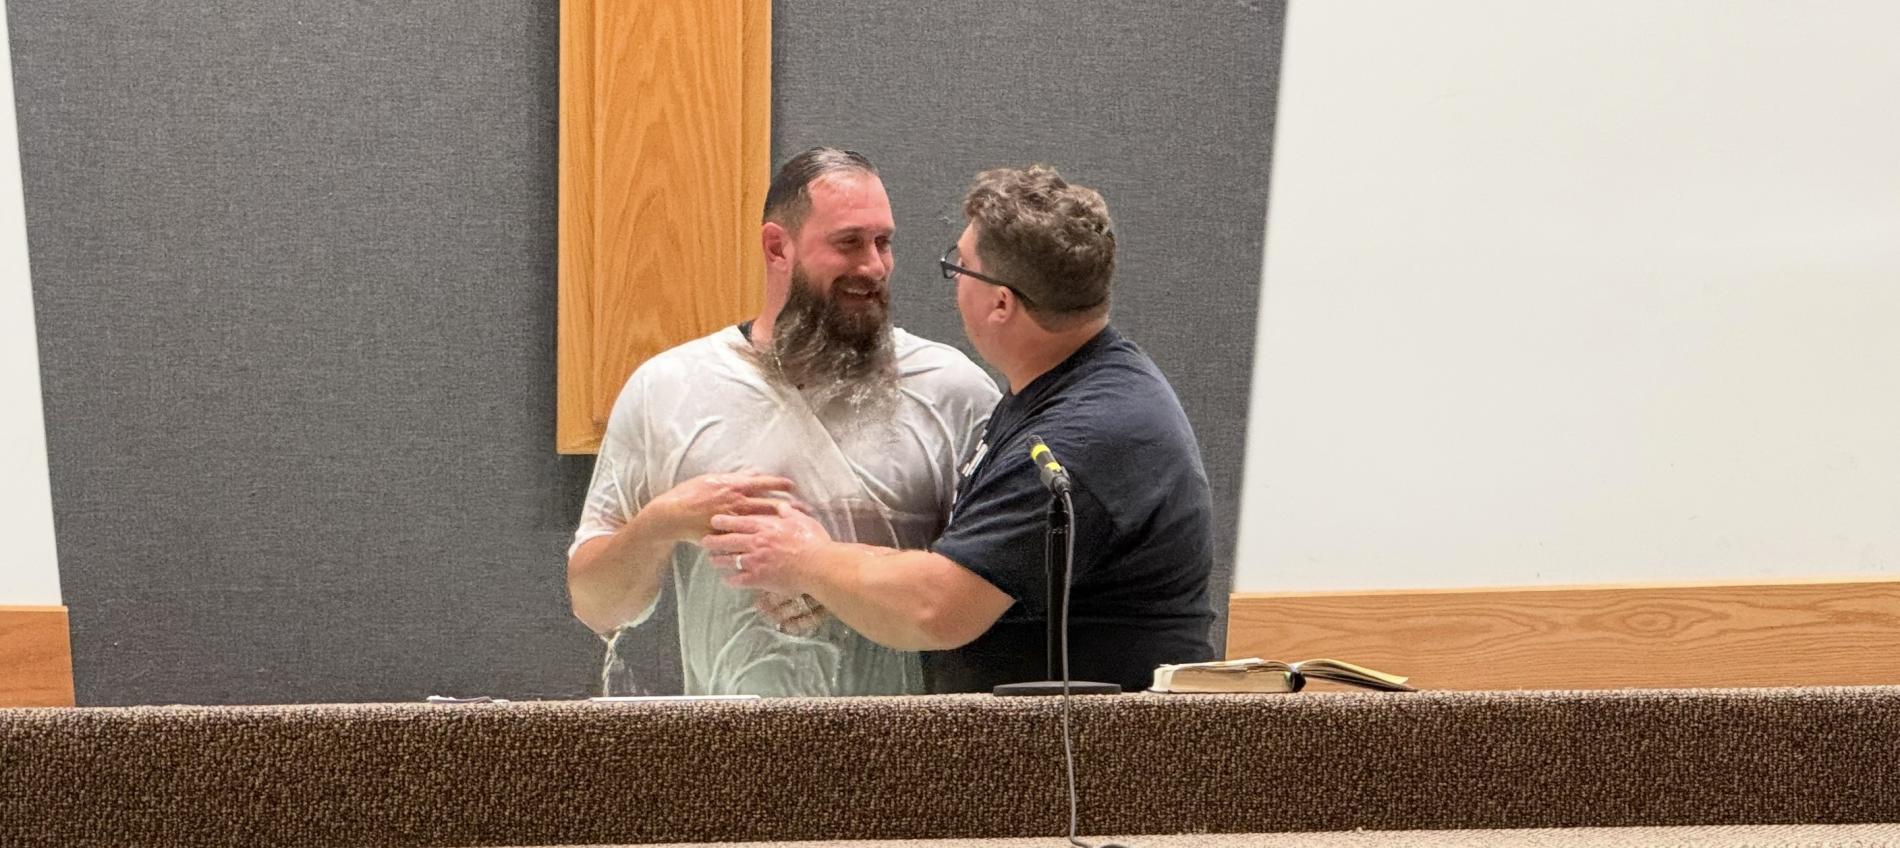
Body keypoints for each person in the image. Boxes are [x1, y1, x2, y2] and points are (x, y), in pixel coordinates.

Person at [703, 164, 1216, 693]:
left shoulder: (1080, 437)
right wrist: (834, 581)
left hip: (1084, 761)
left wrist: (805, 559)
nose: (953, 288)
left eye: (960, 268)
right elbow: (969, 565)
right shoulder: (1066, 391)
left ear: (1001, 302)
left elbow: (938, 606)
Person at [566, 148, 999, 696]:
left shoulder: (950, 390)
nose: (873, 266)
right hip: (729, 761)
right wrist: (665, 521)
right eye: (848, 243)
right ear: (778, 246)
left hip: (904, 762)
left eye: (883, 242)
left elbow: (988, 588)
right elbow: (597, 605)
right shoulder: (668, 388)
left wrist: (832, 577)